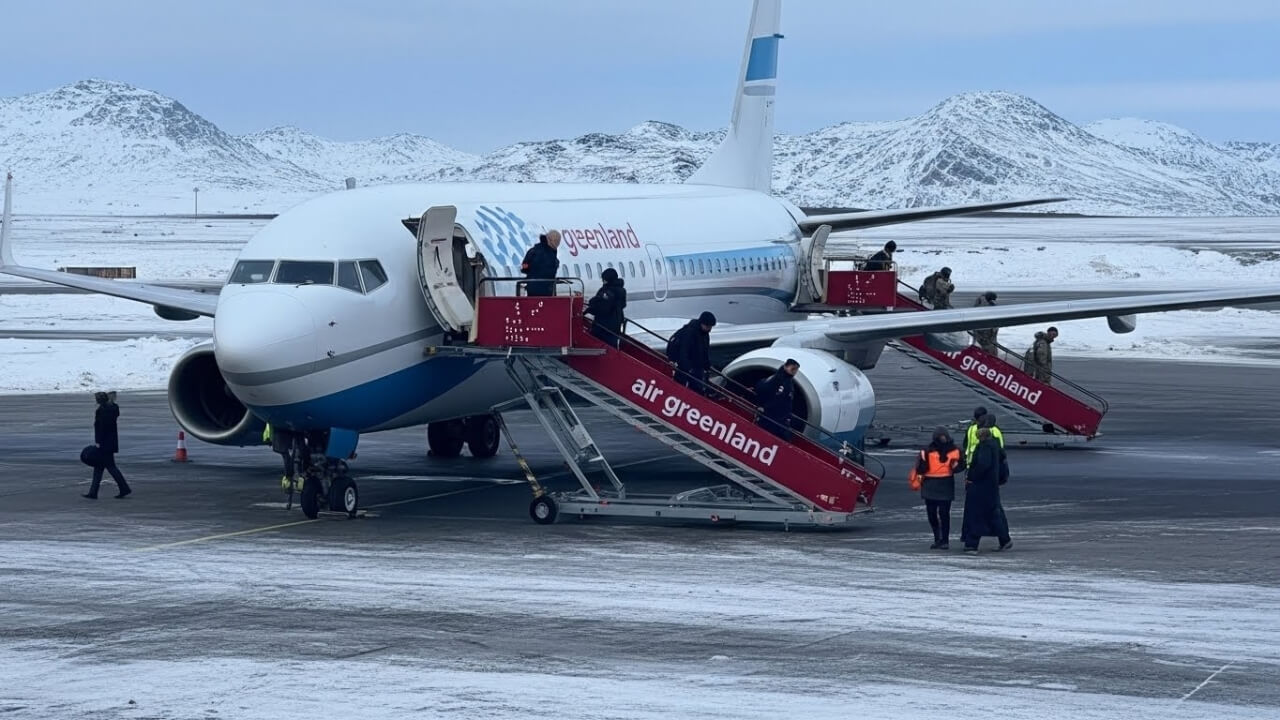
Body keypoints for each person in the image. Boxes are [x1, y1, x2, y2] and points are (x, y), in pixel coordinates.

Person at [960, 426, 1013, 553]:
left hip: (981, 486)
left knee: (975, 514)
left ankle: (972, 543)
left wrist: (971, 476)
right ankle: (1004, 539)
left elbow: (983, 465)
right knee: (993, 514)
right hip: (992, 486)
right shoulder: (996, 447)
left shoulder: (984, 447)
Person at [916, 427, 964, 549]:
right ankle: (944, 540)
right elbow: (961, 467)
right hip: (945, 485)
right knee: (944, 514)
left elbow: (920, 469)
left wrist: (919, 479)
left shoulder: (926, 451)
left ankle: (939, 538)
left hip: (930, 486)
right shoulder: (955, 450)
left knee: (932, 514)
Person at [84, 391, 131, 499]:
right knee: (99, 467)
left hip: (104, 443)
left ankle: (124, 488)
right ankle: (93, 492)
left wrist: (98, 442)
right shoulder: (113, 408)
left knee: (110, 467)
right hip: (111, 442)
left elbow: (101, 428)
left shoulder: (101, 411)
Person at [666, 311, 716, 393]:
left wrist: (707, 366)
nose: (709, 329)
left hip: (697, 367)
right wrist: (687, 368)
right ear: (702, 323)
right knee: (686, 387)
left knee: (698, 388)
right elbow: (683, 351)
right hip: (687, 367)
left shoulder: (705, 335)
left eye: (710, 327)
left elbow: (704, 352)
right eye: (708, 326)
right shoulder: (689, 332)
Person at [754, 359, 799, 440]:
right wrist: (763, 406)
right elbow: (763, 389)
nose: (794, 372)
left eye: (796, 370)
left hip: (781, 417)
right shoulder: (777, 379)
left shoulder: (788, 382)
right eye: (793, 369)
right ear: (785, 366)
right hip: (771, 416)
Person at [586, 267, 627, 348]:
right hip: (615, 325)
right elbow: (623, 304)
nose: (603, 281)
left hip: (604, 326)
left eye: (604, 279)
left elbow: (602, 307)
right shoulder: (621, 290)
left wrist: (589, 308)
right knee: (612, 345)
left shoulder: (607, 291)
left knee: (602, 346)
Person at [520, 230, 561, 297]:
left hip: (532, 288)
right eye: (557, 241)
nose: (557, 244)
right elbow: (549, 270)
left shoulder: (533, 251)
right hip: (545, 289)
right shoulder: (549, 253)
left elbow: (524, 267)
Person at [263, 423, 299, 491]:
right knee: (292, 454)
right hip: (286, 431)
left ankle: (289, 479)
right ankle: (292, 479)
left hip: (280, 430)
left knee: (287, 455)